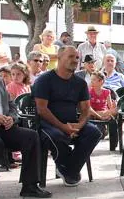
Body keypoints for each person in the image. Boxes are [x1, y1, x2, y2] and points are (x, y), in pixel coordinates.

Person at [0, 44, 51, 199]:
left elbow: (11, 104)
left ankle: (30, 185)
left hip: (3, 125)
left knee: (31, 136)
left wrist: (11, 118)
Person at [34, 45, 103, 187]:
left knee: (94, 132)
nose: (75, 60)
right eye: (71, 56)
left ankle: (67, 169)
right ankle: (69, 170)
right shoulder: (44, 80)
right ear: (59, 58)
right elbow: (42, 109)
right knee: (56, 136)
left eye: (77, 57)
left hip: (72, 122)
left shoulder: (80, 83)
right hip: (48, 123)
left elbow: (85, 109)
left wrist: (79, 125)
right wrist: (63, 127)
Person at [88, 72, 117, 138]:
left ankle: (104, 129)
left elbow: (110, 107)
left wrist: (113, 106)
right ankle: (102, 125)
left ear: (101, 81)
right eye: (91, 79)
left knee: (114, 111)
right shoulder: (90, 91)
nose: (91, 81)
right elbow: (88, 107)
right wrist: (100, 115)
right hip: (93, 112)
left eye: (94, 79)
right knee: (88, 113)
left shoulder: (106, 92)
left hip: (104, 112)